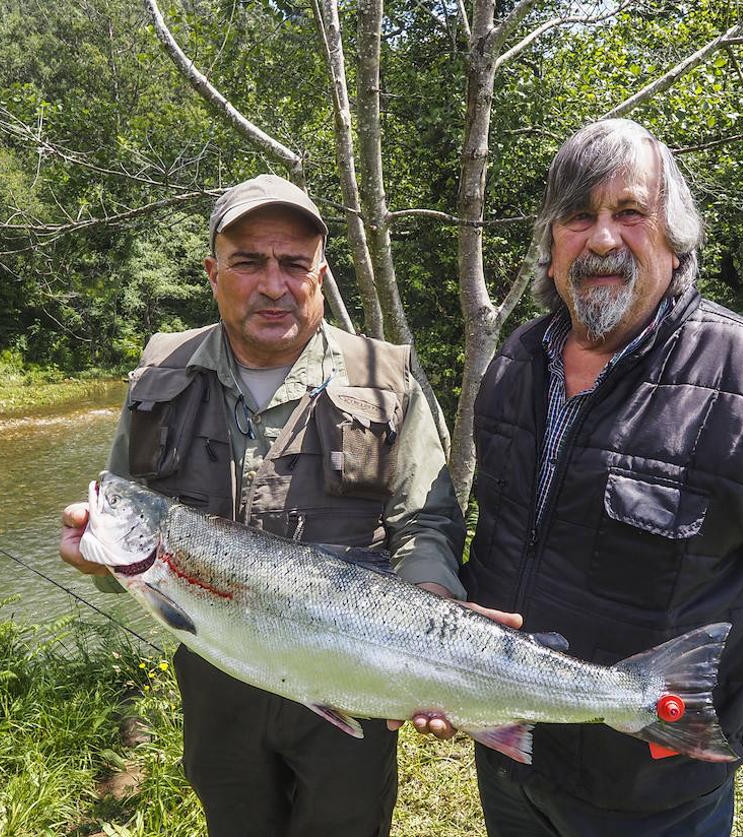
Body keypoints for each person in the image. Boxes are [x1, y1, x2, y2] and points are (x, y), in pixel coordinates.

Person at [460, 119, 743, 835]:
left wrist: (713, 660)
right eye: (578, 216)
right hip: (510, 754)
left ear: (675, 241)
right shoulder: (516, 360)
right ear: (552, 244)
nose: (603, 239)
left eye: (629, 213)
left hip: (654, 781)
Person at [58, 174, 473, 837]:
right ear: (212, 272)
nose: (272, 284)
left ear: (319, 273)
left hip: (352, 664)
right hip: (217, 669)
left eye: (292, 263)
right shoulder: (159, 377)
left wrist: (430, 610)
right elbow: (122, 516)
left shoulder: (385, 376)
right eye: (248, 261)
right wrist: (90, 555)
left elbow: (424, 520)